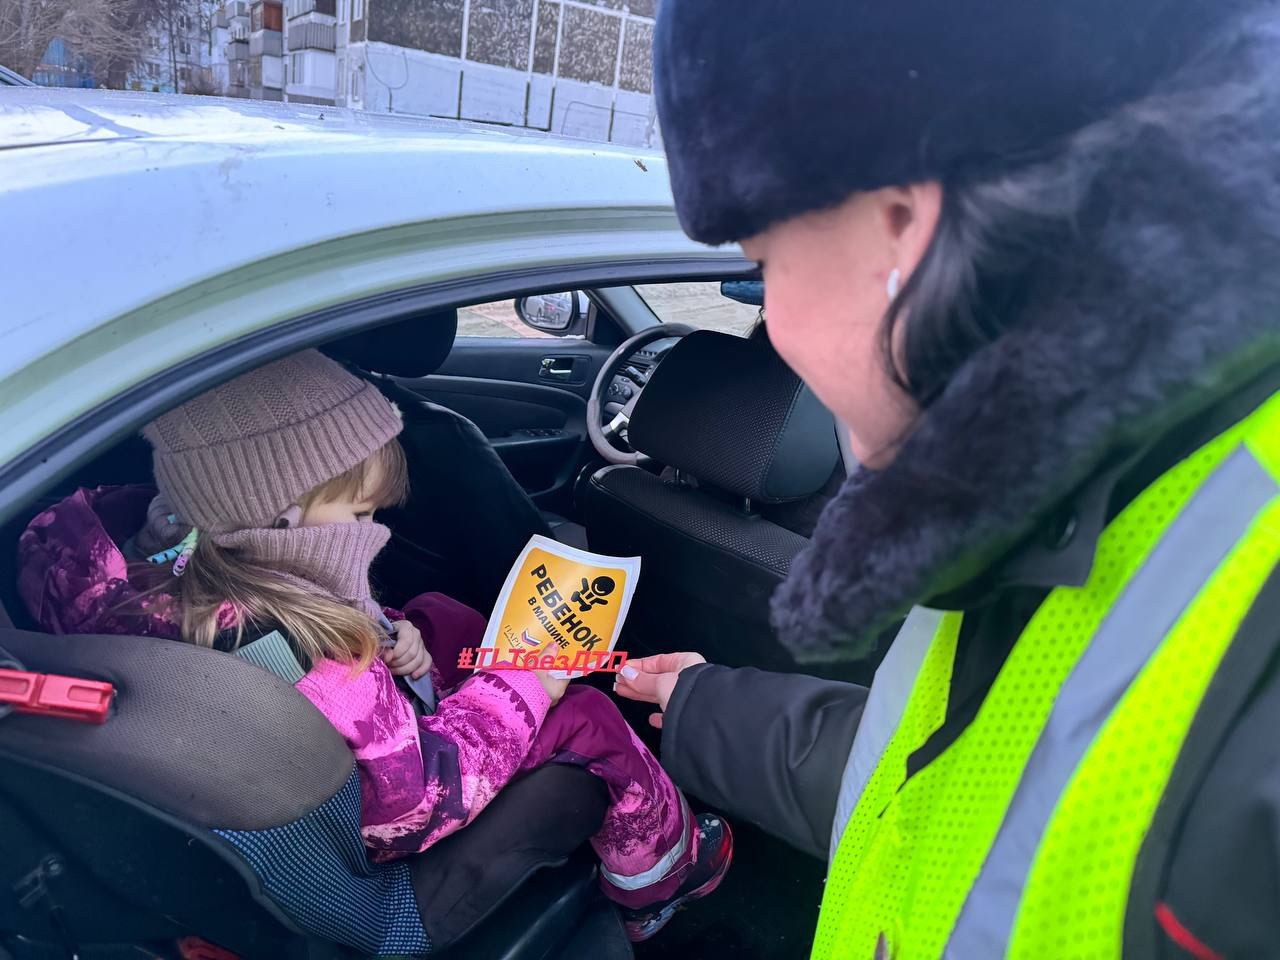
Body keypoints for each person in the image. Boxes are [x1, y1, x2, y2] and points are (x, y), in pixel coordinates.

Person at [615, 1, 1280, 957]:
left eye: (763, 266)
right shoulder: (1026, 500)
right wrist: (699, 703)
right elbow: (954, 780)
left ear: (900, 224)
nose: (777, 333)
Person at [17, 349, 731, 943]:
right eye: (358, 510)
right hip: (376, 808)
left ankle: (479, 677)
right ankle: (665, 876)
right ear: (284, 514)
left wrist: (394, 634)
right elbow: (420, 799)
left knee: (438, 615)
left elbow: (331, 644)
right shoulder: (322, 657)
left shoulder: (120, 558)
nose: (374, 524)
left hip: (264, 736)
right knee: (587, 719)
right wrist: (530, 687)